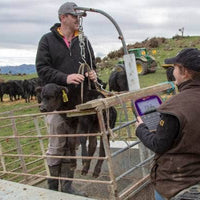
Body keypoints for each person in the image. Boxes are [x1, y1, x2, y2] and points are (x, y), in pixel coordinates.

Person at [35, 2, 97, 196]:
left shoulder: (83, 41)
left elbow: (91, 64)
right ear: (63, 18)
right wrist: (65, 78)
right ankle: (53, 188)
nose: (78, 19)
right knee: (56, 145)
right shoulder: (47, 40)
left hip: (78, 104)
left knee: (72, 144)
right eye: (75, 16)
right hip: (55, 102)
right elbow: (42, 69)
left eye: (80, 17)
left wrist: (92, 74)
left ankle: (68, 187)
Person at [135, 48, 200, 200]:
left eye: (175, 68)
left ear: (184, 72)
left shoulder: (174, 107)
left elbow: (159, 144)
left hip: (177, 185)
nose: (173, 72)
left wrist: (141, 129)